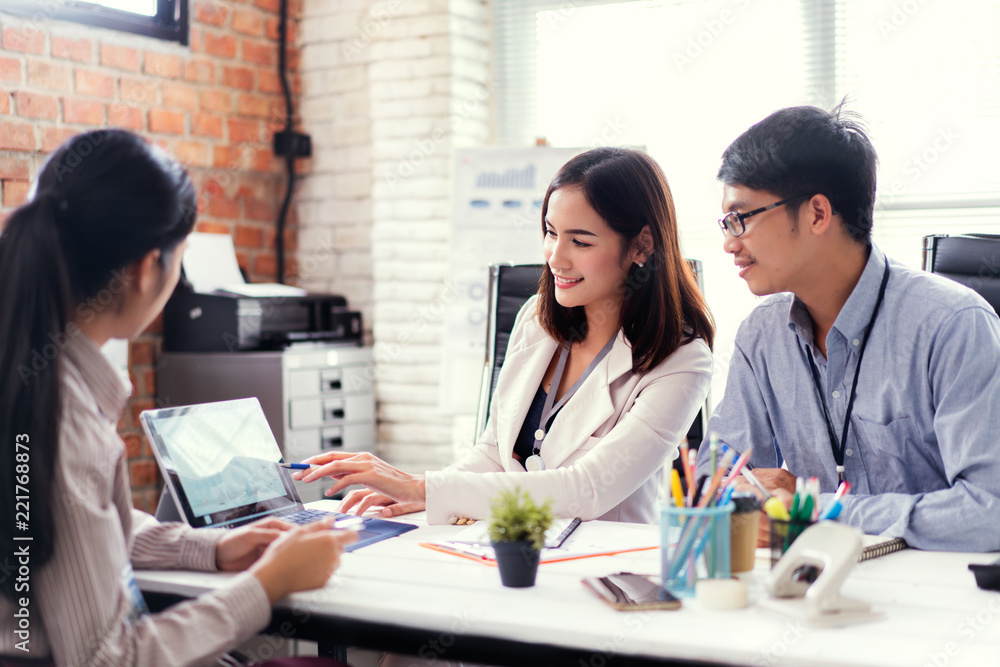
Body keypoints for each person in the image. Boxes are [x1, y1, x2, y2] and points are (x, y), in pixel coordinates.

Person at [0, 129, 356, 666]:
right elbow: (107, 659)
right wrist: (267, 584)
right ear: (148, 269)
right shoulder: (65, 418)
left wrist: (209, 547)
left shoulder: (36, 378)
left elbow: (83, 529)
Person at [295, 147, 714, 525]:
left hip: (601, 572)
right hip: (512, 544)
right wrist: (421, 495)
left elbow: (589, 489)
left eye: (580, 242)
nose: (555, 257)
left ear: (642, 245)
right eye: (550, 233)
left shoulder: (683, 359)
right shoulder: (535, 319)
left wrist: (425, 488)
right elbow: (494, 454)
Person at [699, 104, 1000, 551]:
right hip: (807, 590)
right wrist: (736, 491)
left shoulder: (952, 326)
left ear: (818, 214)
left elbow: (987, 512)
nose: (729, 242)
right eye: (726, 222)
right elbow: (712, 478)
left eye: (741, 218)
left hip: (932, 599)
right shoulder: (761, 335)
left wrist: (816, 511)